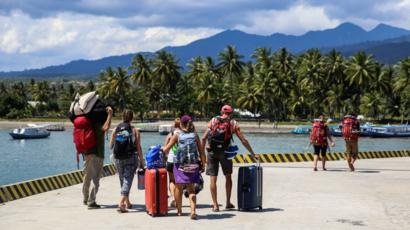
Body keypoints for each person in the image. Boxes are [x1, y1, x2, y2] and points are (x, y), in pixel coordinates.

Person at [201, 105, 259, 212]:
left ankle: (215, 205)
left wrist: (202, 155)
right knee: (228, 177)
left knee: (213, 178)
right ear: (231, 113)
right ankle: (228, 202)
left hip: (212, 152)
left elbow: (204, 138)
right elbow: (243, 140)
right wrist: (252, 153)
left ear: (221, 111)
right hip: (225, 153)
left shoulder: (213, 120)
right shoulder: (233, 123)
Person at [162, 115, 206, 220]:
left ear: (181, 124)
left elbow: (166, 149)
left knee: (179, 187)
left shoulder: (177, 135)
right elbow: (201, 151)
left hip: (180, 165)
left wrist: (158, 150)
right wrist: (203, 164)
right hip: (193, 165)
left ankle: (179, 211)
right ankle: (193, 211)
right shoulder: (195, 136)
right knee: (191, 189)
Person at [109, 110, 144, 213]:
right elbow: (138, 147)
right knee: (127, 179)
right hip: (130, 157)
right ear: (132, 118)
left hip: (118, 158)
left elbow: (111, 145)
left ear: (122, 117)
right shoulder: (134, 130)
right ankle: (121, 203)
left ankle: (127, 202)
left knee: (122, 179)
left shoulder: (116, 129)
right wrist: (142, 161)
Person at [82, 105, 113, 209]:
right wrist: (110, 114)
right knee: (95, 177)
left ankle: (85, 198)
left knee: (87, 175)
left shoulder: (88, 123)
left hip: (87, 152)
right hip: (97, 153)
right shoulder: (98, 124)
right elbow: (106, 127)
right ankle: (91, 201)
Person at [163, 118, 181, 208]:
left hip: (170, 159)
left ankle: (173, 197)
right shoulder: (185, 134)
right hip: (181, 161)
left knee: (172, 180)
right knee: (179, 181)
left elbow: (165, 149)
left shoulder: (170, 134)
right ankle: (178, 199)